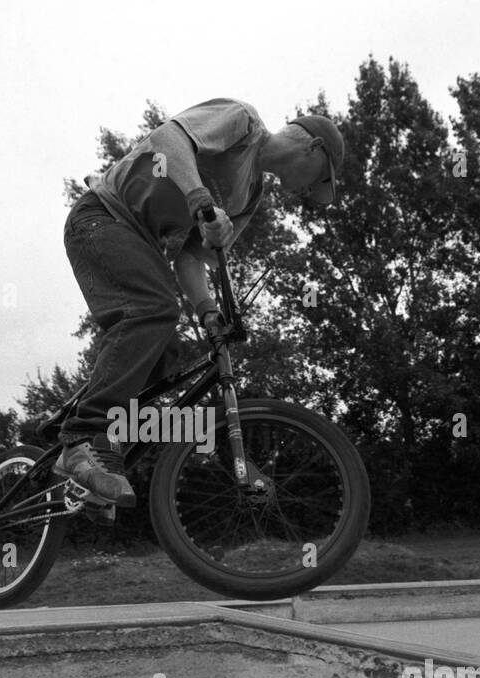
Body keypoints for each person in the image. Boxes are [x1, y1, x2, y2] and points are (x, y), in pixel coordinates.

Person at [56, 98, 343, 520]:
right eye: (318, 180)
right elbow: (169, 139)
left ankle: (96, 452)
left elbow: (191, 260)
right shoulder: (243, 123)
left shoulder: (250, 197)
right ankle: (81, 437)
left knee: (162, 359)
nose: (306, 192)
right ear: (314, 147)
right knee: (153, 310)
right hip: (101, 217)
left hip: (138, 240)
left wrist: (210, 313)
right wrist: (199, 198)